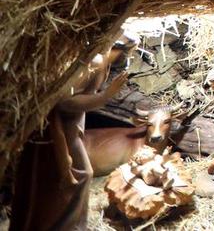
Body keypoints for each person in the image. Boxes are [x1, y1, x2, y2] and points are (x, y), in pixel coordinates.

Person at [11, 34, 135, 231]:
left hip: (72, 127)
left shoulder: (100, 61)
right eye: (128, 50)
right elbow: (64, 102)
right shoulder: (94, 61)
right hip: (56, 132)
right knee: (72, 178)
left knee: (81, 176)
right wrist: (105, 96)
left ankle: (72, 225)